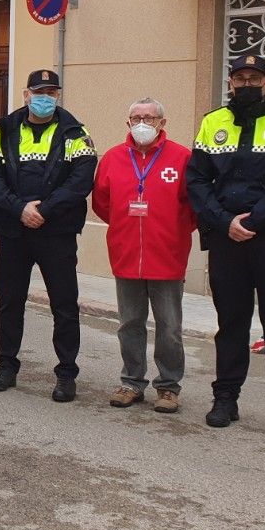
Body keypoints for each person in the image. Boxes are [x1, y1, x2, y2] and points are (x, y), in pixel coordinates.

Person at [186, 53, 265, 440]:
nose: (247, 84)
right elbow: (197, 181)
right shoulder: (212, 122)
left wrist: (255, 220)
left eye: (254, 78)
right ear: (230, 84)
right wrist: (224, 221)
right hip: (227, 238)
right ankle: (225, 398)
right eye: (240, 79)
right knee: (230, 324)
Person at [0, 69, 96, 402]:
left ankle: (66, 374)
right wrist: (20, 209)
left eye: (51, 92)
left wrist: (43, 210)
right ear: (26, 95)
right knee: (9, 302)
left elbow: (80, 181)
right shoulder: (5, 130)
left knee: (64, 305)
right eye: (39, 92)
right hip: (14, 231)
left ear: (57, 96)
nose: (45, 97)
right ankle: (6, 367)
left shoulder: (75, 132)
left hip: (56, 232)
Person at [92, 98, 195, 414]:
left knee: (169, 327)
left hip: (167, 256)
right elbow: (102, 202)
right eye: (136, 117)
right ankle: (132, 383)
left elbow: (194, 206)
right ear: (127, 122)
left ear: (162, 123)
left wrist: (171, 232)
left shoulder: (182, 157)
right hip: (126, 255)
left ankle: (168, 387)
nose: (142, 123)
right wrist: (126, 228)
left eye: (149, 118)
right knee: (129, 323)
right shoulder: (112, 158)